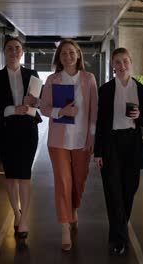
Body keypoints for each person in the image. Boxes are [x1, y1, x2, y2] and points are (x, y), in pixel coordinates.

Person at [40, 39, 98, 251]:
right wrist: (61, 112)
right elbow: (43, 108)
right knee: (63, 182)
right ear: (59, 58)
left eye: (71, 52)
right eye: (64, 53)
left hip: (82, 140)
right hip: (59, 141)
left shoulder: (88, 78)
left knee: (78, 181)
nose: (68, 56)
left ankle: (74, 208)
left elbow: (94, 111)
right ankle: (65, 227)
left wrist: (92, 137)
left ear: (78, 55)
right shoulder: (53, 80)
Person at [94, 48, 143, 256]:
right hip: (111, 144)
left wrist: (139, 116)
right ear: (112, 65)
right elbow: (100, 123)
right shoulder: (105, 90)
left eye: (125, 61)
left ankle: (119, 229)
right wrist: (98, 151)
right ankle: (119, 238)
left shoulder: (142, 90)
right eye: (117, 62)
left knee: (129, 190)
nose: (122, 65)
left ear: (131, 62)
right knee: (113, 191)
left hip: (132, 143)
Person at [0, 37, 41, 241]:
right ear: (4, 51)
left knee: (24, 175)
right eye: (10, 48)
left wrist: (33, 102)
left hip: (28, 129)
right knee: (10, 175)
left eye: (17, 48)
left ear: (22, 52)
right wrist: (12, 109)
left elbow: (39, 101)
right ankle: (16, 213)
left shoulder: (32, 74)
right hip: (6, 129)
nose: (13, 51)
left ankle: (25, 218)